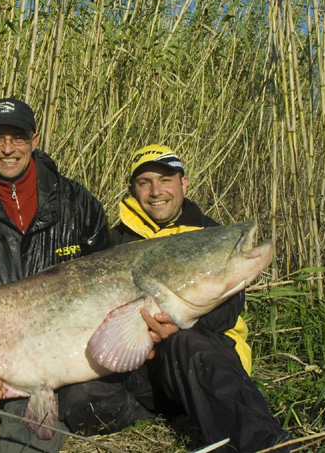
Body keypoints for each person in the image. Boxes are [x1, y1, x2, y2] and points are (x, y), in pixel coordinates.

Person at [57, 144, 291, 452]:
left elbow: (228, 312)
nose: (156, 191)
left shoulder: (210, 233)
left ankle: (263, 444)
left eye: (165, 179)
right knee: (79, 400)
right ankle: (166, 413)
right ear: (133, 190)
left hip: (199, 354)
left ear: (184, 183)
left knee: (188, 343)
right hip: (136, 363)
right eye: (145, 183)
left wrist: (180, 326)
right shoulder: (112, 240)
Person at [0, 98, 111, 452]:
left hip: (62, 356)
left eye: (18, 137)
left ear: (35, 140)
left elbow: (108, 283)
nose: (8, 148)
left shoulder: (78, 203)